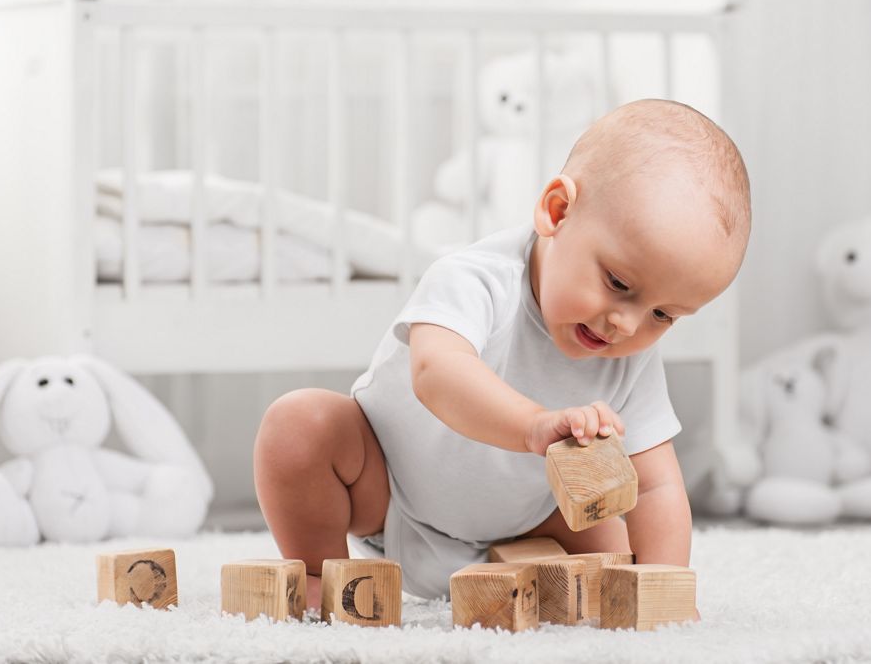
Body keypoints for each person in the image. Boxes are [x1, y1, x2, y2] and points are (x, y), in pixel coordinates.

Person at [254, 98, 751, 606]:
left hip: (522, 527)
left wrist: (662, 591)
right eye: (619, 283)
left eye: (663, 315)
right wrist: (531, 424)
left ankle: (560, 594)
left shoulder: (630, 352)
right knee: (301, 425)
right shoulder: (477, 279)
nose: (627, 324)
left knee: (613, 547)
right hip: (386, 495)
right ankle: (317, 574)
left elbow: (655, 488)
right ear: (557, 212)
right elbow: (436, 373)